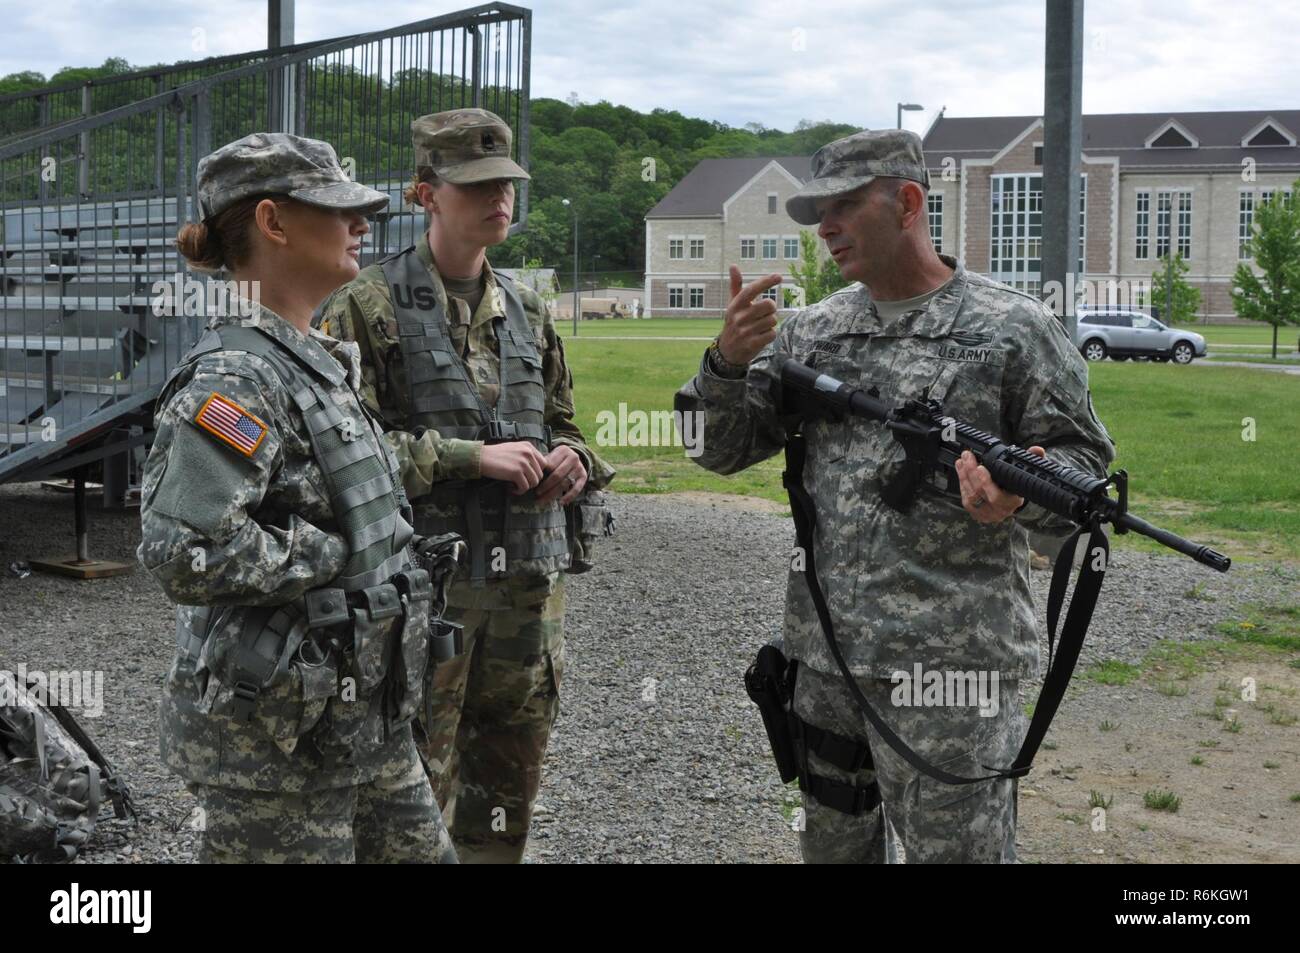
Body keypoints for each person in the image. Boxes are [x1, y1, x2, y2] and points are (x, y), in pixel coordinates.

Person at [675, 129, 1115, 864]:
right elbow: (712, 449)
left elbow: (1084, 471)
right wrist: (725, 363)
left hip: (951, 669)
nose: (827, 227)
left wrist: (1013, 498)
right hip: (826, 664)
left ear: (908, 202)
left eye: (845, 205)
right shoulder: (813, 334)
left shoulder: (1011, 329)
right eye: (819, 211)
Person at [139, 132, 458, 864]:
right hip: (275, 749)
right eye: (338, 209)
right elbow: (183, 551)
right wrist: (330, 553)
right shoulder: (235, 380)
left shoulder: (313, 362)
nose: (362, 224)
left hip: (360, 716)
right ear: (273, 223)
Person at [318, 108, 614, 863]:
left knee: (505, 793)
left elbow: (564, 422)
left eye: (507, 184)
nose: (499, 199)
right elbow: (336, 457)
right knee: (407, 801)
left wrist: (575, 461)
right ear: (426, 194)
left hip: (525, 602)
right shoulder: (367, 307)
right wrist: (466, 458)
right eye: (477, 185)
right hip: (424, 603)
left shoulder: (527, 307)